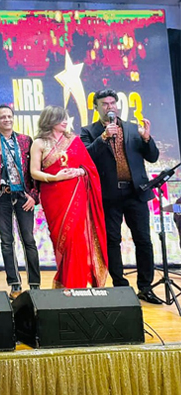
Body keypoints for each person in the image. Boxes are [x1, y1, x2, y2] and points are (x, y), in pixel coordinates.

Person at [81, 90, 163, 304]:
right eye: (104, 104)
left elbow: (153, 157)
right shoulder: (89, 131)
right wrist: (103, 138)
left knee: (143, 240)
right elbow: (85, 157)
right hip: (108, 195)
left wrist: (147, 139)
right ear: (96, 107)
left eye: (112, 103)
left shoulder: (133, 128)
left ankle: (145, 287)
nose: (110, 107)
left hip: (136, 193)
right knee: (112, 241)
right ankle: (120, 287)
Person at [30, 105, 108, 289]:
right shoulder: (39, 143)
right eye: (61, 118)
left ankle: (74, 285)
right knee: (63, 241)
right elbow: (34, 172)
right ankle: (66, 283)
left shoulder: (74, 140)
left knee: (77, 239)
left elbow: (88, 167)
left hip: (77, 194)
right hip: (54, 196)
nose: (66, 121)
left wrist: (80, 171)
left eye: (66, 118)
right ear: (50, 120)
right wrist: (54, 177)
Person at [0, 105, 41, 300]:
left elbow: (35, 169)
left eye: (9, 116)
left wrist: (34, 195)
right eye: (2, 117)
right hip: (1, 196)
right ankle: (14, 283)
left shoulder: (25, 140)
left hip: (24, 196)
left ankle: (35, 284)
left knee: (29, 240)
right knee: (7, 241)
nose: (7, 119)